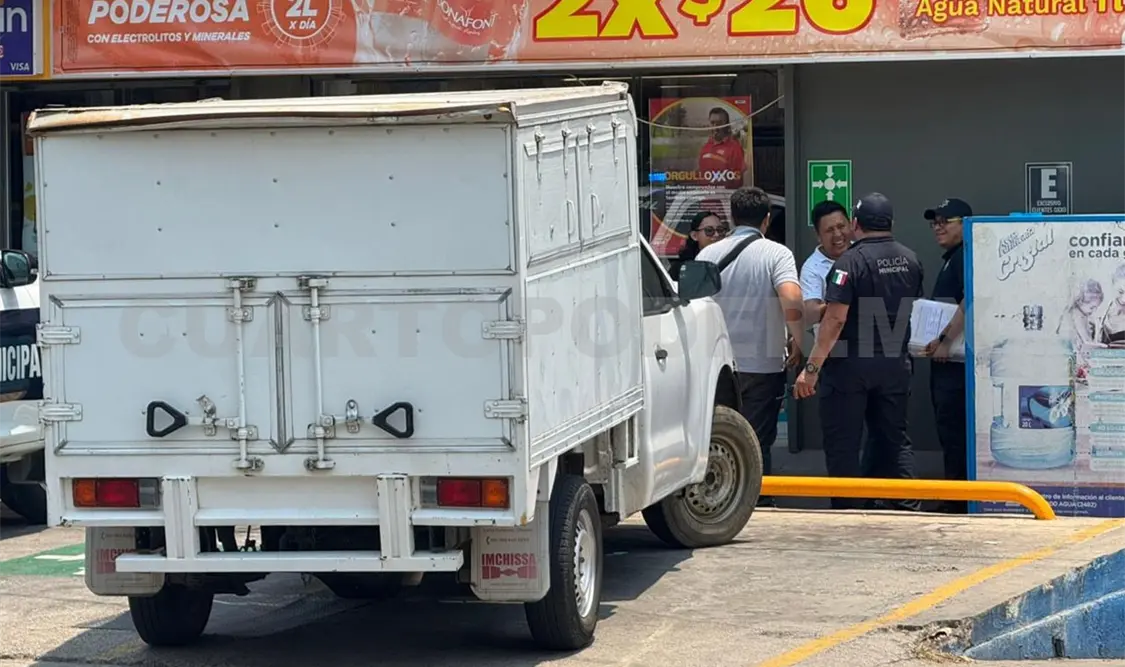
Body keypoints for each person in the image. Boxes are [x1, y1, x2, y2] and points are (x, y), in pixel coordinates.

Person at [793, 193, 924, 511]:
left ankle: (849, 511)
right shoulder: (910, 259)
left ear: (855, 224)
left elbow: (835, 319)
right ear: (890, 223)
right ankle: (907, 506)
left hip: (849, 369)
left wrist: (811, 370)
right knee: (894, 439)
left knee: (843, 444)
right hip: (894, 366)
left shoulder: (848, 263)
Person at [696, 187, 803, 505]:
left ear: (731, 216)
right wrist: (799, 341)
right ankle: (760, 503)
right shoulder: (776, 254)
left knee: (720, 438)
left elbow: (693, 306)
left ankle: (722, 503)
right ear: (767, 220)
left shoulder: (707, 255)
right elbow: (792, 298)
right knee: (757, 442)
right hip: (763, 364)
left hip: (717, 367)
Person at [920, 198, 971, 512]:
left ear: (965, 224)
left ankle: (958, 501)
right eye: (934, 222)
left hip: (955, 364)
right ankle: (956, 494)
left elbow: (970, 299)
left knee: (954, 432)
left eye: (945, 221)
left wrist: (944, 340)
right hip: (947, 361)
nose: (938, 227)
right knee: (949, 431)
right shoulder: (953, 257)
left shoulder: (966, 255)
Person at [800, 200, 854, 337]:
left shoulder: (863, 253)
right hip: (834, 348)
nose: (837, 234)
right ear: (818, 236)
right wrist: (842, 299)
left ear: (851, 225)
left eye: (841, 226)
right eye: (829, 230)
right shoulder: (812, 268)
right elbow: (811, 314)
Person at [670, 210, 728, 281]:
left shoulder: (732, 260)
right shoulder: (682, 268)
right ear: (694, 236)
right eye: (709, 230)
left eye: (720, 230)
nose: (717, 235)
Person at [698, 107, 745, 189]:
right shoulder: (705, 147)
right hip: (705, 199)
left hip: (725, 199)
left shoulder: (734, 148)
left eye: (719, 123)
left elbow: (738, 180)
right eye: (712, 123)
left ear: (726, 125)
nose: (715, 127)